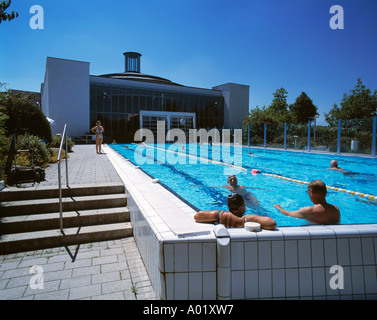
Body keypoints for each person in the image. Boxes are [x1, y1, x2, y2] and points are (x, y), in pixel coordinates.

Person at [273, 180, 340, 225]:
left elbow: (287, 213)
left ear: (312, 192)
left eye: (308, 192)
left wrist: (278, 207)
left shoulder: (309, 210)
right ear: (325, 192)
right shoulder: (336, 209)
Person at [194, 193, 276, 230]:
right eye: (244, 205)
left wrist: (217, 215)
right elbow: (272, 223)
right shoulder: (247, 218)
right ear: (240, 208)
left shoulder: (219, 215)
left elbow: (197, 216)